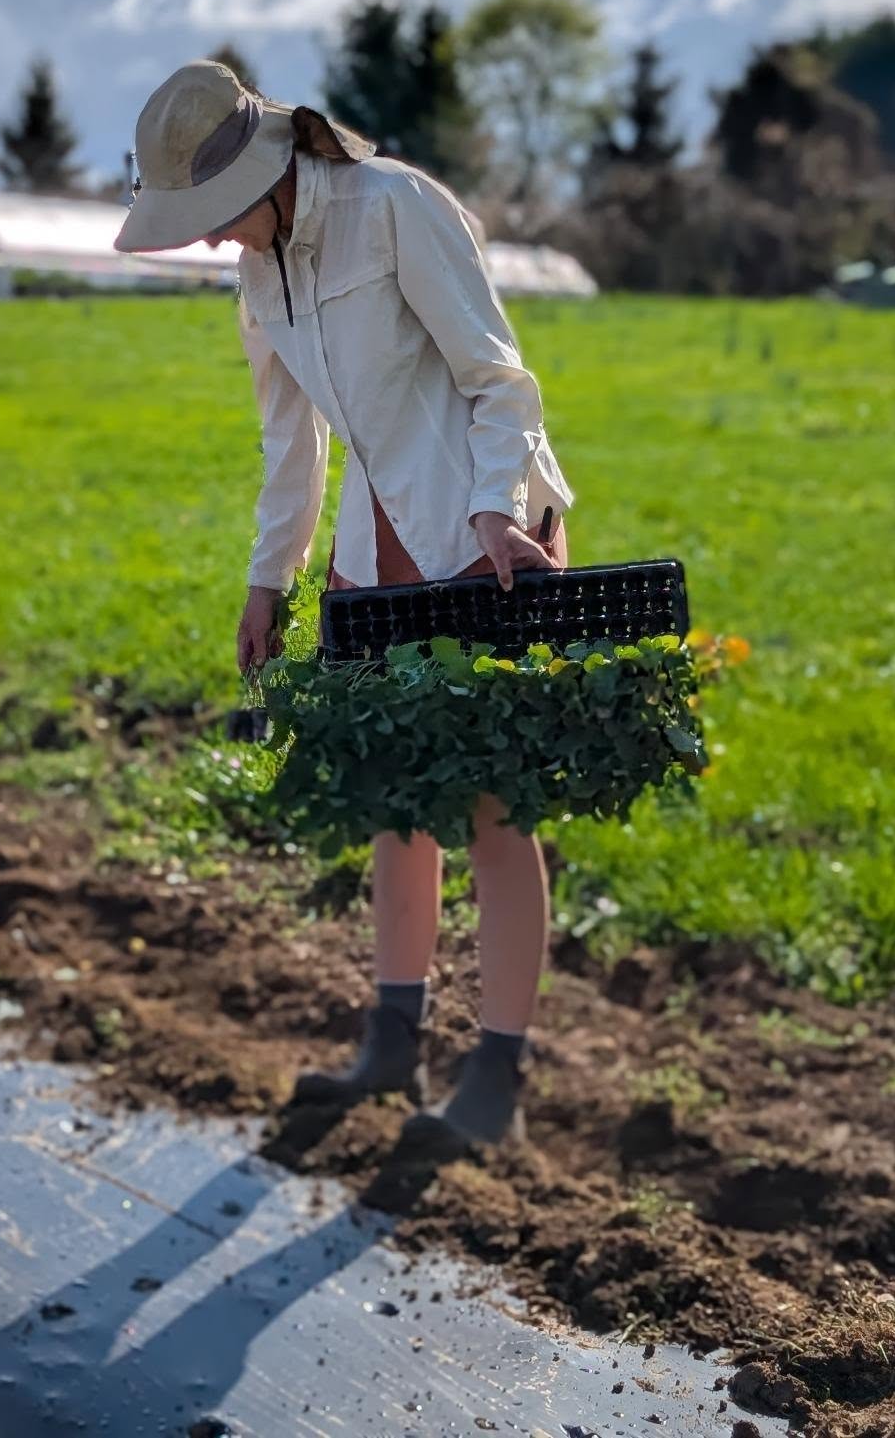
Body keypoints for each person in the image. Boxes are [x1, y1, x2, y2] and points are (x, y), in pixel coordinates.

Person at [115, 58, 575, 1150]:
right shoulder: (258, 277)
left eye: (219, 217)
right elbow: (293, 439)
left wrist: (496, 514)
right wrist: (268, 575)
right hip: (377, 553)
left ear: (269, 176)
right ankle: (391, 1040)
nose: (218, 240)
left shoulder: (396, 208)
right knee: (392, 796)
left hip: (483, 538)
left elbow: (498, 379)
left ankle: (498, 1073)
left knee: (492, 806)